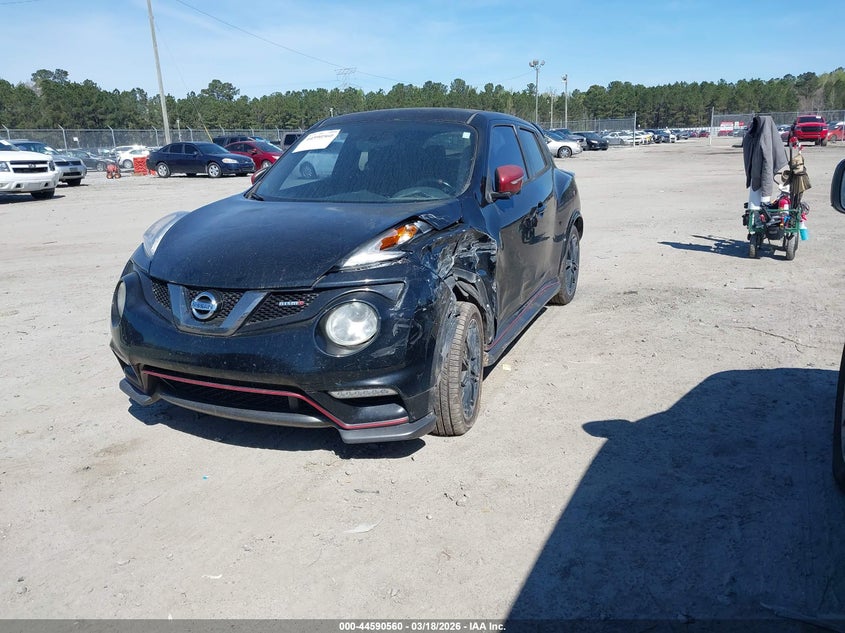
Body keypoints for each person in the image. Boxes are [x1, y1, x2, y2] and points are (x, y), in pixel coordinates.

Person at [742, 115, 787, 209]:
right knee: (753, 209)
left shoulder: (766, 138)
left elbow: (768, 165)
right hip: (755, 178)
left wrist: (765, 193)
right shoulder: (752, 138)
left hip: (761, 178)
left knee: (760, 209)